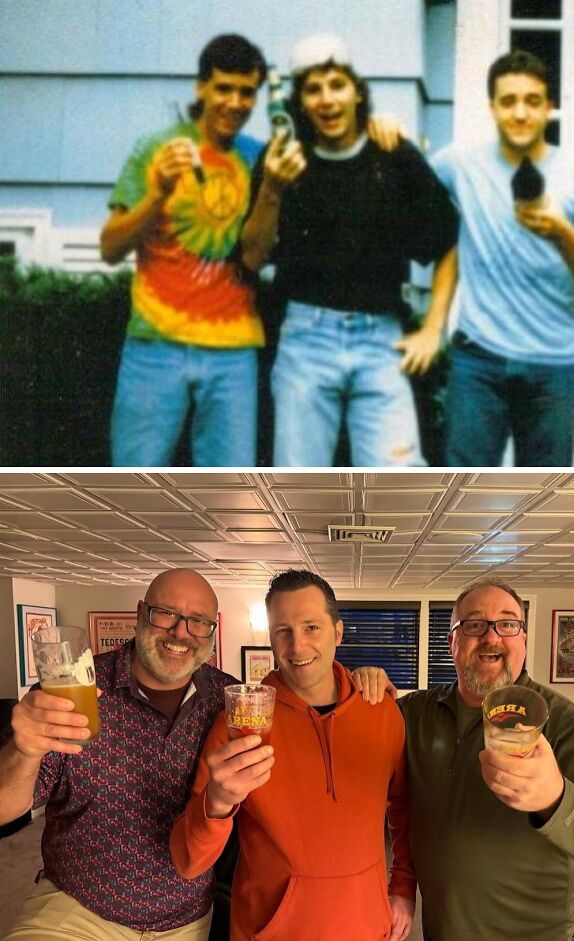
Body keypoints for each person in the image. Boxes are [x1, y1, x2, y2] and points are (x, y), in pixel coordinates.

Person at [241, 34, 459, 467]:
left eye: (337, 85)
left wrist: (434, 329)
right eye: (313, 89)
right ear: (300, 101)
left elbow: (447, 240)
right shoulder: (281, 158)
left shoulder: (392, 156)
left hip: (380, 341)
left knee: (396, 486)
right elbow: (251, 258)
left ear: (357, 91)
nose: (327, 100)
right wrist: (271, 189)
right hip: (305, 340)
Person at [170, 569, 416, 941]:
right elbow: (189, 862)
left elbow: (403, 810)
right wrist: (216, 804)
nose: (297, 647)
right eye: (283, 631)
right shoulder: (240, 722)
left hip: (367, 928)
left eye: (312, 628)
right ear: (270, 639)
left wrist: (402, 890)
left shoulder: (380, 710)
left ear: (338, 632)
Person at [398, 577, 574, 941]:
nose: (491, 636)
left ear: (524, 641)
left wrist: (556, 800)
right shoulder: (414, 713)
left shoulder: (568, 725)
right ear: (452, 642)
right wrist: (363, 686)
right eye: (473, 624)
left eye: (508, 623)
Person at [0, 568, 233, 940]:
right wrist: (23, 750)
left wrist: (357, 681)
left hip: (186, 922)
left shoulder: (228, 700)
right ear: (141, 614)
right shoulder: (73, 686)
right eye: (166, 614)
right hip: (77, 910)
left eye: (198, 622)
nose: (180, 633)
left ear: (210, 633)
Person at [433, 50, 574, 467]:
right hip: (478, 358)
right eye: (508, 101)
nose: (520, 113)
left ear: (549, 107)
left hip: (553, 365)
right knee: (462, 499)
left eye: (532, 101)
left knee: (542, 504)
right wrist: (384, 128)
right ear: (492, 107)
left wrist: (562, 232)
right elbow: (404, 186)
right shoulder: (459, 163)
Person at [101, 34, 268, 466]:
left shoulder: (259, 158)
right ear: (201, 88)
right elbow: (110, 247)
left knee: (230, 500)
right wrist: (157, 195)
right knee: (136, 490)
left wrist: (276, 189)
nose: (235, 103)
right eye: (224, 88)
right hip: (155, 345)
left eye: (246, 92)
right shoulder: (155, 148)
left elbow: (258, 256)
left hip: (234, 351)